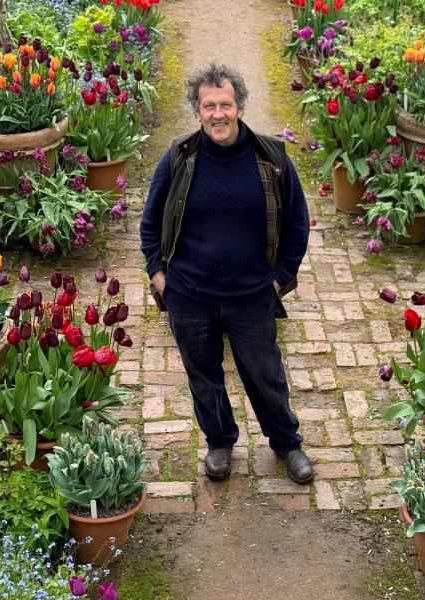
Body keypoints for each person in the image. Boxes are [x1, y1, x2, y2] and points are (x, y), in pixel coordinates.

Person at [139, 63, 314, 485]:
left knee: (264, 373)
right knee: (203, 375)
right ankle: (219, 442)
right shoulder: (179, 156)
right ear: (197, 111)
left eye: (226, 105)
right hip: (189, 293)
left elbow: (297, 223)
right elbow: (150, 222)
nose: (218, 114)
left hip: (251, 294)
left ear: (239, 107)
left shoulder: (271, 157)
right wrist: (159, 276)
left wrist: (280, 277)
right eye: (208, 106)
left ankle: (286, 444)